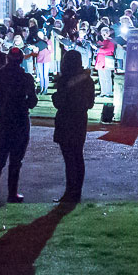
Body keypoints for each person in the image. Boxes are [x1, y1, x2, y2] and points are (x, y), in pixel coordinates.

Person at [0, 45, 39, 203]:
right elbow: (32, 102)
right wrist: (25, 102)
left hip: (4, 121)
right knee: (16, 160)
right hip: (20, 122)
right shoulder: (26, 78)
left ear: (7, 59)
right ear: (20, 60)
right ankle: (12, 193)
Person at [51, 49, 96, 204]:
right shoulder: (87, 80)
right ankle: (76, 192)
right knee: (77, 156)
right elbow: (90, 103)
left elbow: (59, 102)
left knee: (70, 158)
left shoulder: (65, 80)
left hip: (66, 119)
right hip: (79, 119)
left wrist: (56, 96)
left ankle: (70, 192)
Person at [93, 26, 116, 99]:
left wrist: (98, 49)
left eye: (106, 32)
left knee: (107, 77)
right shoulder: (101, 41)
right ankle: (103, 92)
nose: (104, 34)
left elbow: (110, 49)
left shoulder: (111, 40)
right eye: (103, 32)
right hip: (100, 61)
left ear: (108, 33)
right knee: (101, 77)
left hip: (106, 60)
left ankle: (108, 92)